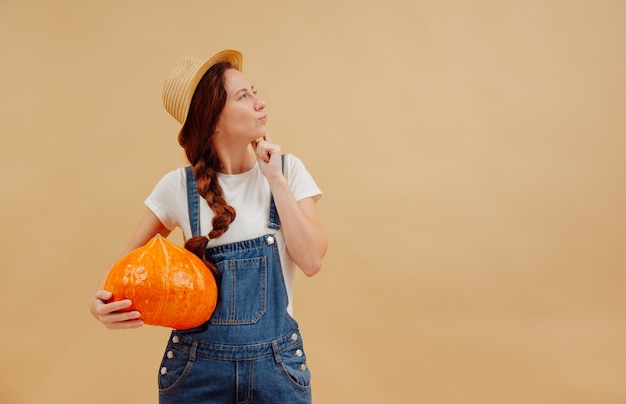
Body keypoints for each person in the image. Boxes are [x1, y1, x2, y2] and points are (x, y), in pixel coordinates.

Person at [89, 49, 328, 403]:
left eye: (254, 92)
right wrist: (101, 308)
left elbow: (311, 261)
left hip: (277, 370)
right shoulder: (176, 187)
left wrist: (275, 179)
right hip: (197, 372)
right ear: (213, 119)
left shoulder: (288, 171)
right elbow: (119, 278)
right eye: (243, 96)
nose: (260, 103)